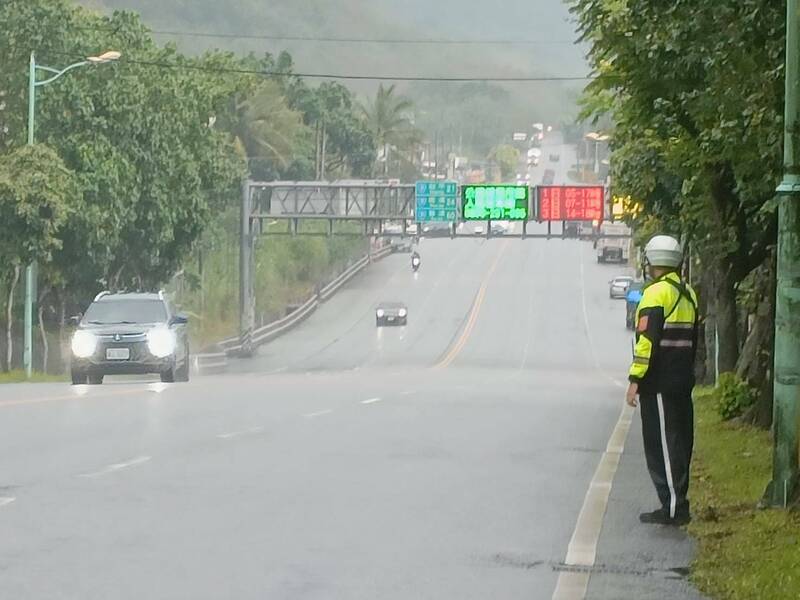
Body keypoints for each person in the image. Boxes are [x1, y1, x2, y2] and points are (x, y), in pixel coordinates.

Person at [625, 235, 699, 526]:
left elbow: (646, 342)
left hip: (658, 384)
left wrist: (635, 380)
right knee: (681, 442)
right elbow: (693, 341)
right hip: (682, 381)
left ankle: (673, 508)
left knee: (663, 445)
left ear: (653, 262)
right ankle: (677, 501)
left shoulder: (654, 295)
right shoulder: (689, 293)